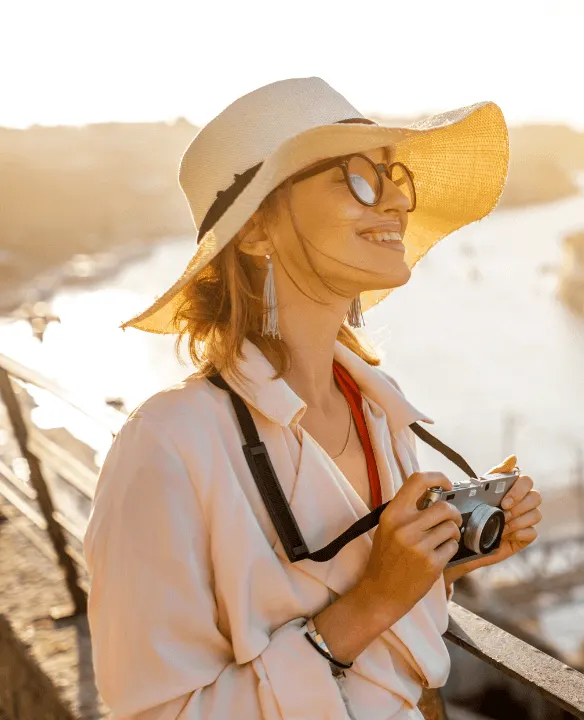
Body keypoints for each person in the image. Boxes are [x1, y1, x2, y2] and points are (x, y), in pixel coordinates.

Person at [83, 77, 541, 719]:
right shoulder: (165, 446)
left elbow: (368, 618)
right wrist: (376, 599)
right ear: (255, 231)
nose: (395, 203)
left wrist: (445, 555)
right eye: (356, 177)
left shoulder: (381, 410)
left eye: (394, 176)